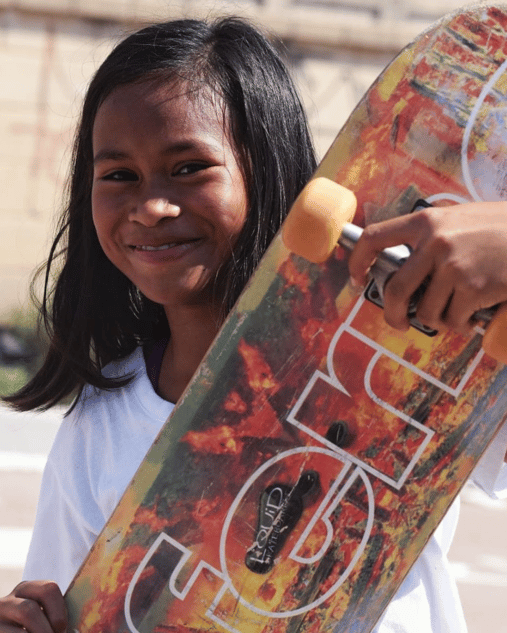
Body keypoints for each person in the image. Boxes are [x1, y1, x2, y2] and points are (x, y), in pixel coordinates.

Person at [0, 15, 505, 633]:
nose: (152, 206)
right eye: (118, 176)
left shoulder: (398, 354)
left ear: (264, 170)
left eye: (189, 168)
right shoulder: (101, 422)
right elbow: (80, 607)